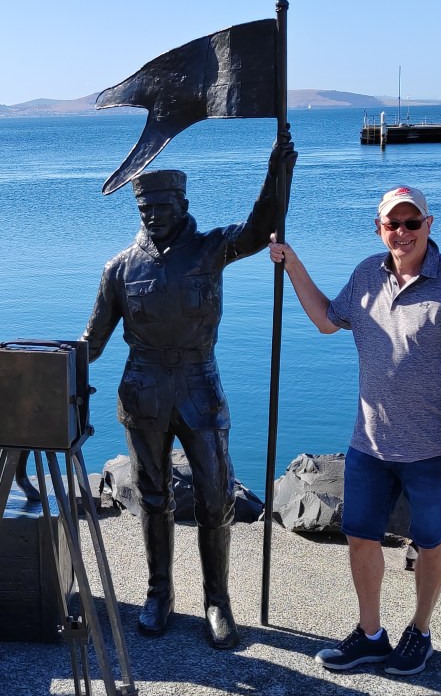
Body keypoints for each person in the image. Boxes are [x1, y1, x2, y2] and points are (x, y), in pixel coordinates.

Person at [268, 185, 441, 676]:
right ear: (379, 228)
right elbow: (327, 320)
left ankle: (420, 632)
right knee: (360, 537)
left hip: (435, 449)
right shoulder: (367, 274)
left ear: (429, 225)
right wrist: (293, 265)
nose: (403, 232)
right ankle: (370, 635)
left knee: (430, 542)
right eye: (393, 224)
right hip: (369, 443)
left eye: (412, 223)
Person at [81, 132, 296, 648]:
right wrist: (40, 367)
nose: (154, 215)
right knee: (153, 497)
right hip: (143, 392)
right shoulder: (118, 269)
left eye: (163, 206)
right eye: (146, 208)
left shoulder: (210, 249)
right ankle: (159, 594)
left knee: (216, 498)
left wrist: (278, 171)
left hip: (200, 389)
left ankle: (217, 600)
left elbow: (260, 227)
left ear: (182, 203)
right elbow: (92, 343)